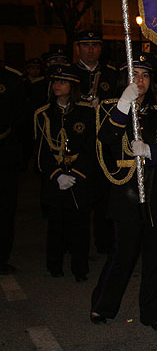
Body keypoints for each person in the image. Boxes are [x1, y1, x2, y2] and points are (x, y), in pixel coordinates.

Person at [90, 54, 157, 330]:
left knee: (155, 258)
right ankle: (103, 305)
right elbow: (105, 139)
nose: (139, 81)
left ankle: (151, 311)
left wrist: (151, 152)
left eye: (144, 75)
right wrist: (123, 105)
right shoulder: (109, 107)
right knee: (122, 255)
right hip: (125, 192)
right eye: (134, 75)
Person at [34, 62, 97, 281]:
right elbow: (41, 152)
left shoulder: (87, 112)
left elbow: (91, 148)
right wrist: (57, 175)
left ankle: (80, 269)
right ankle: (55, 265)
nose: (57, 86)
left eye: (62, 82)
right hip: (56, 178)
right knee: (56, 225)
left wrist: (77, 174)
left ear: (73, 85)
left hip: (80, 177)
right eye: (54, 82)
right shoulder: (44, 114)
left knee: (80, 226)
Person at [72, 30, 118, 254]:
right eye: (86, 45)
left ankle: (104, 241)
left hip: (104, 144)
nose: (91, 50)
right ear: (78, 48)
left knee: (104, 196)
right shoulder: (70, 73)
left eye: (95, 45)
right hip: (77, 145)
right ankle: (75, 245)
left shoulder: (110, 73)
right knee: (77, 197)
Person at [0, 62, 27, 275]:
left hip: (4, 151)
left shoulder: (11, 78)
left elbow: (20, 114)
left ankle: (1, 258)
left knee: (5, 208)